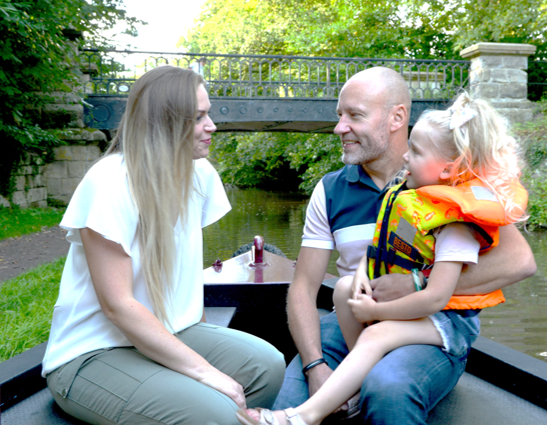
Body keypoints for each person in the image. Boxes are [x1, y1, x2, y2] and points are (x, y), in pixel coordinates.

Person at [234, 91, 528, 425]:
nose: (339, 127)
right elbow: (313, 281)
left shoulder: (457, 212)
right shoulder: (368, 192)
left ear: (397, 118)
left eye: (354, 116)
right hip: (355, 317)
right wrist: (314, 365)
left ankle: (311, 412)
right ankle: (336, 390)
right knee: (343, 289)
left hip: (432, 320)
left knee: (389, 388)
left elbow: (520, 263)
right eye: (338, 115)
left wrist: (412, 284)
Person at [42, 66, 285, 425]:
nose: (212, 125)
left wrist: (201, 342)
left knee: (267, 366)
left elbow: (184, 274)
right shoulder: (109, 182)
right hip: (92, 353)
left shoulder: (199, 175)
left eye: (209, 113)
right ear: (164, 123)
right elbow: (118, 306)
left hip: (172, 330)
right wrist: (205, 373)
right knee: (217, 412)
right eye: (199, 117)